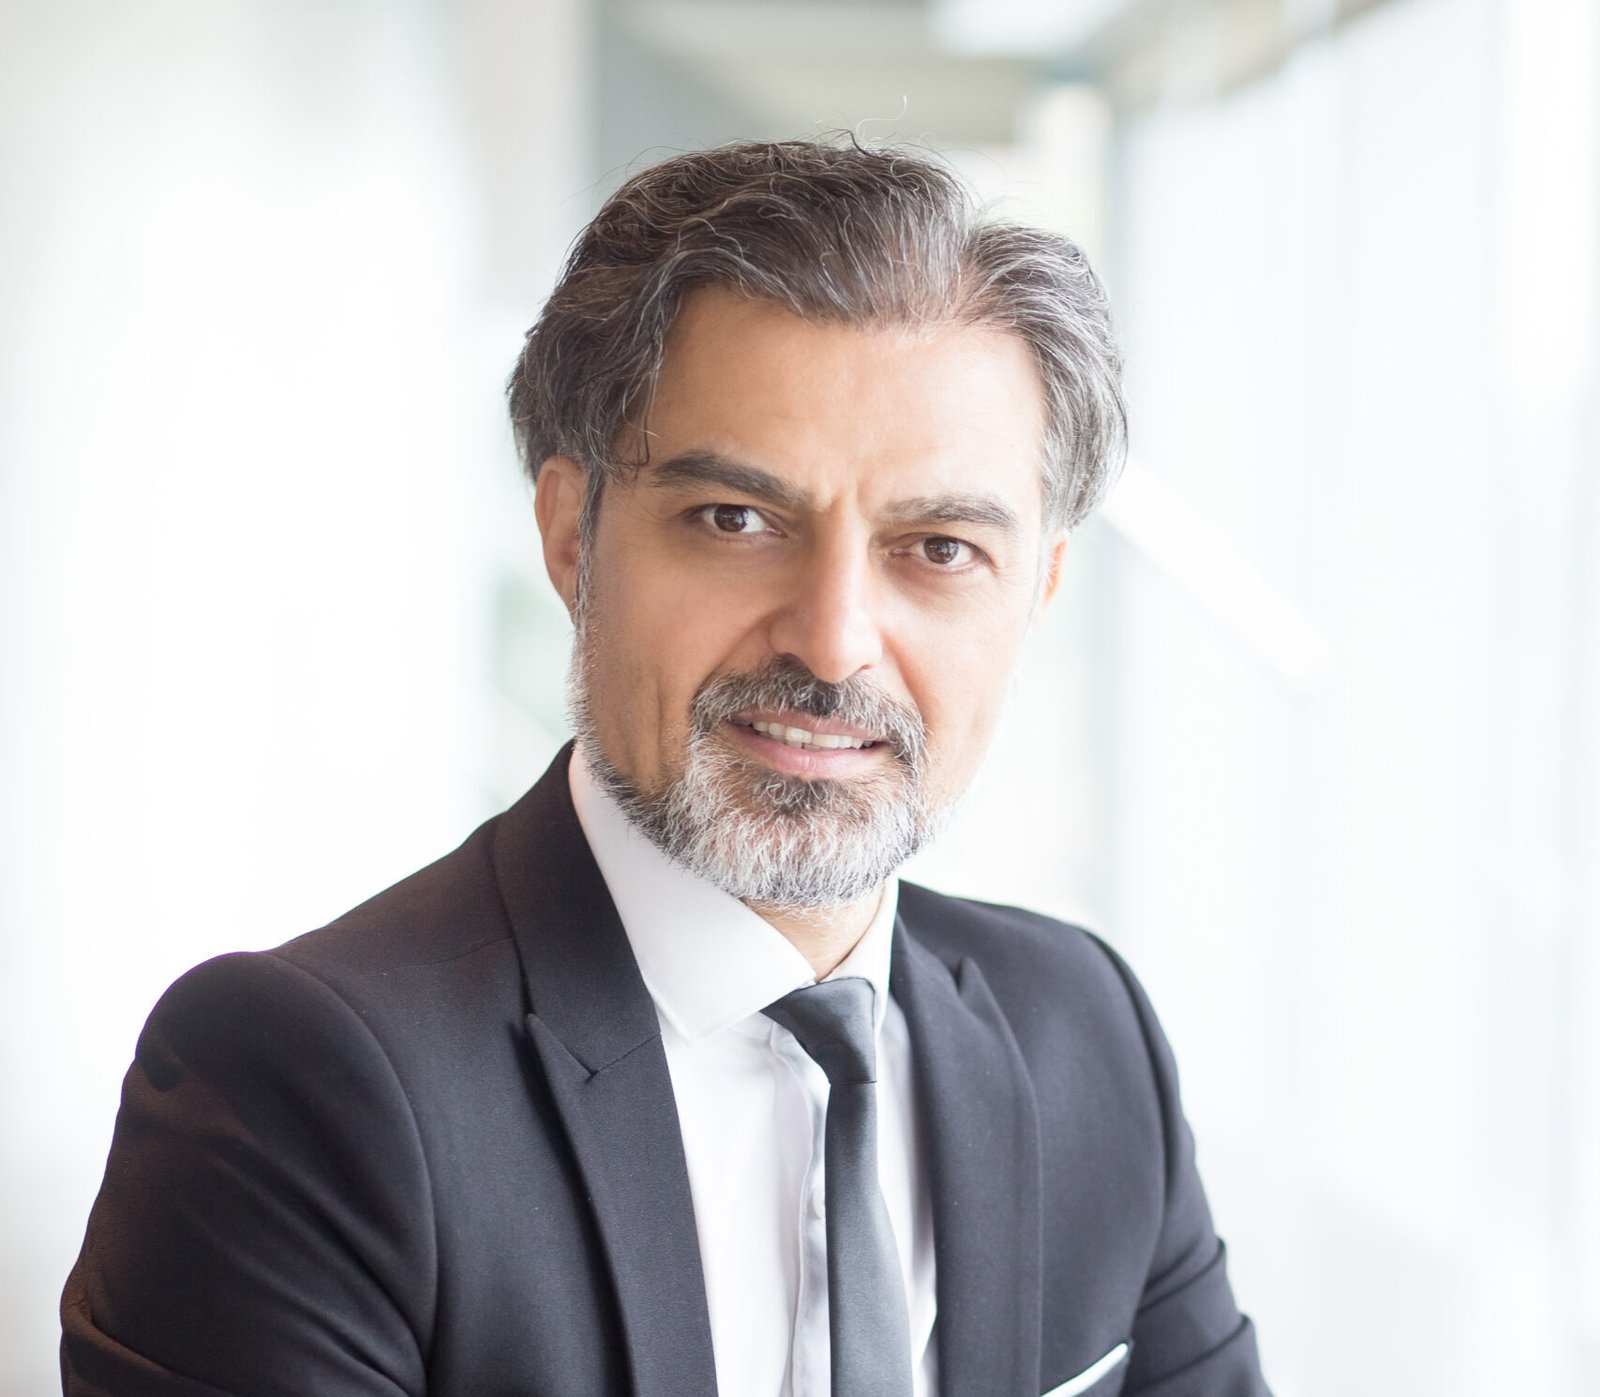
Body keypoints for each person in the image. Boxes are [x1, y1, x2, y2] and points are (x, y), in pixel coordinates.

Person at [61, 138, 1270, 1397]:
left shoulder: (1083, 1033)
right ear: (572, 535)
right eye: (736, 521)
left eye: (940, 546)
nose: (833, 636)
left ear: (1039, 587)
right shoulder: (297, 1081)